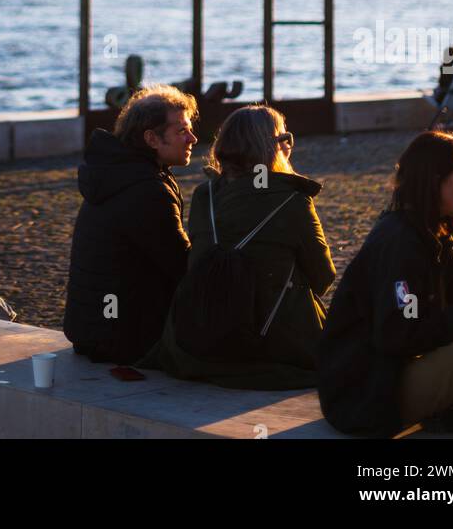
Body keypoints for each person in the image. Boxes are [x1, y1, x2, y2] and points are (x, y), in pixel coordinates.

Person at [318, 130, 453, 438]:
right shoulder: (401, 243)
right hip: (368, 389)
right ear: (434, 182)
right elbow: (398, 336)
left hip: (399, 361)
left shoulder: (428, 227)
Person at [143, 104, 335, 388]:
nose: (288, 146)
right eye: (284, 139)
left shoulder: (203, 195)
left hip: (196, 341)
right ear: (272, 148)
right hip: (269, 345)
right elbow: (323, 276)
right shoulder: (292, 199)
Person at [63, 84, 196, 365]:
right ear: (151, 139)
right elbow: (182, 266)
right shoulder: (146, 190)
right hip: (123, 338)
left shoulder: (118, 172)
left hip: (90, 329)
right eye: (181, 131)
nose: (193, 138)